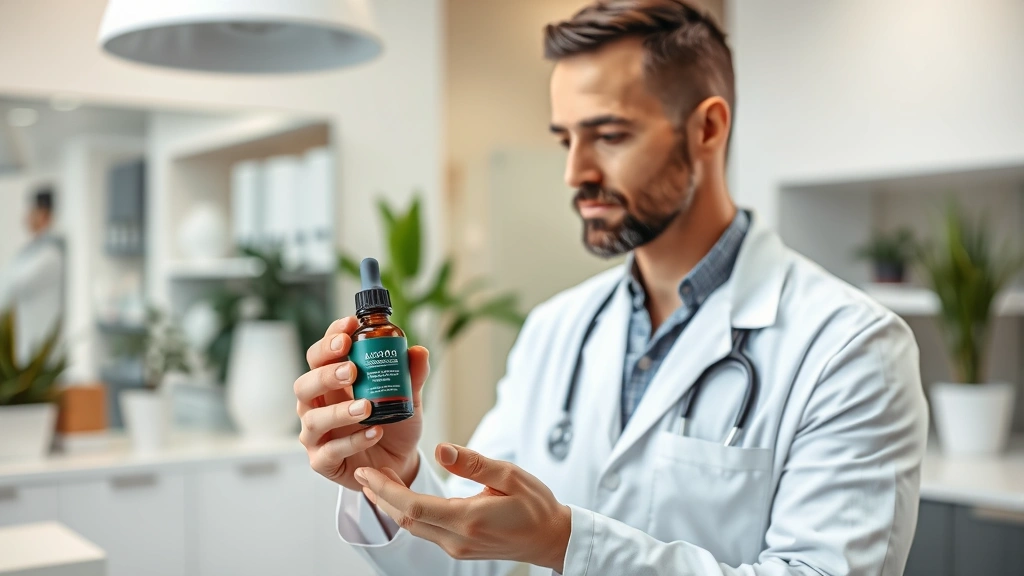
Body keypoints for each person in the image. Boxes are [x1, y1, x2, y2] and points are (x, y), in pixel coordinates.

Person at [294, 1, 928, 574]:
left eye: (610, 135)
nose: (575, 172)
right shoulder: (556, 329)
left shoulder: (852, 347)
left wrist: (565, 543)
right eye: (566, 138)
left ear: (707, 129)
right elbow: (469, 555)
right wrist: (394, 473)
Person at [0, 186, 65, 362]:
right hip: (26, 338)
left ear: (44, 215)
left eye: (31, 212)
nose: (26, 217)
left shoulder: (50, 255)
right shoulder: (31, 251)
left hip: (40, 343)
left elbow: (14, 283)